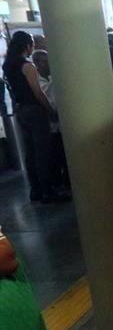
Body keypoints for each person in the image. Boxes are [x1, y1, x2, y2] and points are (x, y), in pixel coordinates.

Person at [2, 31, 62, 203]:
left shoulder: (8, 65)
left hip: (20, 110)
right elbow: (37, 92)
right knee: (43, 151)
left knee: (30, 152)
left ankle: (35, 189)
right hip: (35, 111)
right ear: (27, 46)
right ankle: (47, 190)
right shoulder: (28, 66)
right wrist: (50, 109)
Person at [32, 50, 70, 192]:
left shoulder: (54, 78)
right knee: (53, 155)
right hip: (48, 124)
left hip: (61, 123)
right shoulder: (36, 83)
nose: (48, 64)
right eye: (44, 61)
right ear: (36, 63)